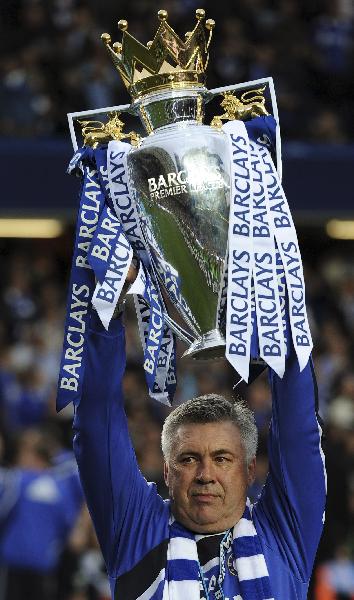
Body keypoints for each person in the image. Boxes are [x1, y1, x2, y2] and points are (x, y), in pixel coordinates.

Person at [73, 303, 326, 600]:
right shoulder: (136, 529)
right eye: (189, 459)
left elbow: (299, 434)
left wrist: (274, 308)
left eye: (222, 459)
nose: (206, 475)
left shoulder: (284, 534)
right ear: (167, 471)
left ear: (248, 470)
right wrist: (108, 307)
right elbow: (95, 430)